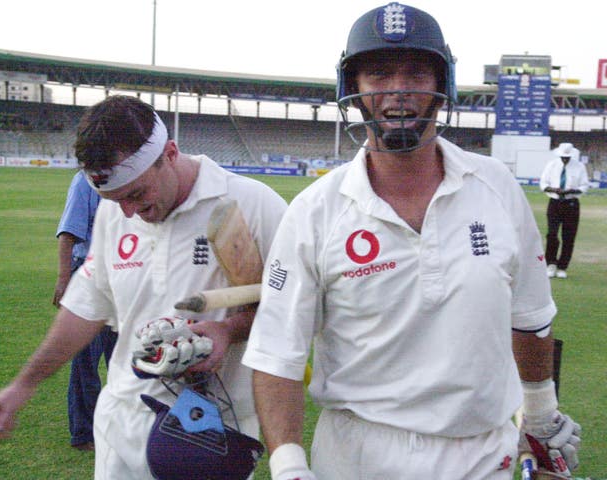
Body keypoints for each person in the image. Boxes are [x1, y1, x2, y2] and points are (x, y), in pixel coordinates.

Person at [242, 3, 581, 479]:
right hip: (359, 454)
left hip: (485, 453)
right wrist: (289, 465)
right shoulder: (315, 211)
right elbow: (278, 354)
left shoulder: (496, 187)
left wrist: (542, 415)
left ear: (441, 88)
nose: (398, 90)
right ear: (353, 89)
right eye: (379, 74)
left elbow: (530, 319)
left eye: (417, 73)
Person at [0, 95, 287, 479]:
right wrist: (24, 385)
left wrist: (228, 330)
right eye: (113, 199)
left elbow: (295, 309)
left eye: (136, 194)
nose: (127, 212)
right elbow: (85, 307)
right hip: (120, 423)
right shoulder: (116, 212)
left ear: (170, 153)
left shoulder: (252, 204)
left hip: (205, 436)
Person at [53, 169, 118, 451]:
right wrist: (64, 280)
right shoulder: (85, 181)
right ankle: (84, 434)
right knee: (85, 363)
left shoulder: (127, 179)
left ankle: (120, 429)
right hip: (90, 279)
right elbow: (68, 234)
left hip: (122, 279)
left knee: (125, 360)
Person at [539, 142, 589, 279]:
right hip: (555, 202)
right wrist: (554, 189)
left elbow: (584, 186)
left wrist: (571, 191)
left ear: (571, 156)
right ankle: (551, 264)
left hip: (571, 204)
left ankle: (562, 267)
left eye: (567, 157)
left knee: (569, 237)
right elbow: (543, 184)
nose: (565, 159)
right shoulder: (552, 165)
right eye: (562, 157)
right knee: (552, 234)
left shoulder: (579, 167)